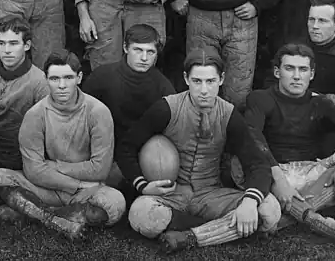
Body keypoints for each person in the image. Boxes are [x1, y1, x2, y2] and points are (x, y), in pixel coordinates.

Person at [120, 48, 280, 254]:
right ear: (186, 79)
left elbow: (257, 163)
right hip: (171, 194)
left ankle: (190, 236)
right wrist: (143, 186)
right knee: (140, 214)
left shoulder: (229, 114)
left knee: (270, 208)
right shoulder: (167, 108)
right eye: (197, 81)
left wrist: (249, 202)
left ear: (221, 79)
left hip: (211, 194)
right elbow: (126, 147)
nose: (204, 90)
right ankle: (220, 229)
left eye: (210, 81)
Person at [241, 43, 335, 245]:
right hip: (271, 173)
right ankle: (314, 219)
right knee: (246, 164)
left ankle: (287, 216)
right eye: (290, 68)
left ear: (312, 74)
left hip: (310, 172)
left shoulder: (323, 102)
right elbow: (252, 136)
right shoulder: (260, 98)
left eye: (303, 69)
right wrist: (278, 180)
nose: (297, 76)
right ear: (277, 72)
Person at [0, 49, 125, 239]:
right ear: (46, 79)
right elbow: (33, 170)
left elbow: (100, 169)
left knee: (114, 203)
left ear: (79, 78)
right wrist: (75, 185)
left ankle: (31, 212)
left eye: (68, 78)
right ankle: (55, 219)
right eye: (55, 79)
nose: (62, 86)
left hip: (85, 191)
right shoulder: (35, 114)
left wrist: (55, 166)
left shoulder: (98, 112)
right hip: (50, 187)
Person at [82, 24, 175, 191]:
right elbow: (81, 122)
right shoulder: (101, 78)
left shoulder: (163, 88)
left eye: (150, 52)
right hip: (102, 153)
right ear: (125, 48)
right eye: (138, 50)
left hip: (142, 156)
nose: (144, 58)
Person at [0, 15, 49, 170]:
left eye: (13, 43)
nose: (6, 50)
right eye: (1, 43)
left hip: (15, 158)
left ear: (27, 45)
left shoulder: (39, 82)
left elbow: (47, 132)